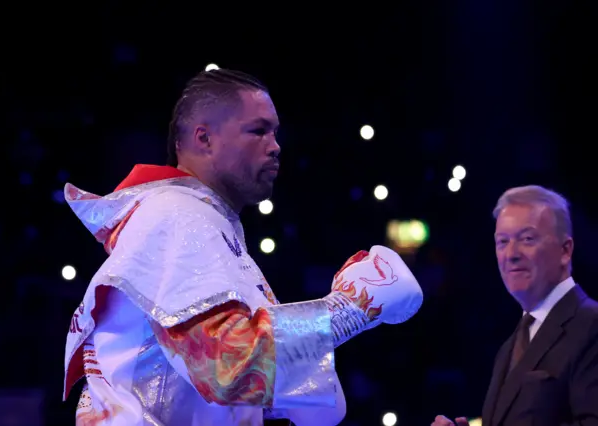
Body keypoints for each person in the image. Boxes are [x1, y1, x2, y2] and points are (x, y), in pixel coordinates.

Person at [63, 68, 424, 426]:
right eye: (258, 131)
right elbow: (226, 365)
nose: (275, 146)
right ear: (204, 139)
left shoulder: (209, 226)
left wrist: (305, 371)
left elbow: (253, 389)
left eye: (276, 132)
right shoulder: (177, 215)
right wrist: (348, 309)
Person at [432, 185, 598, 426]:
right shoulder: (509, 347)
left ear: (565, 250)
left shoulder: (592, 327)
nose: (511, 254)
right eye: (502, 242)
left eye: (527, 239)